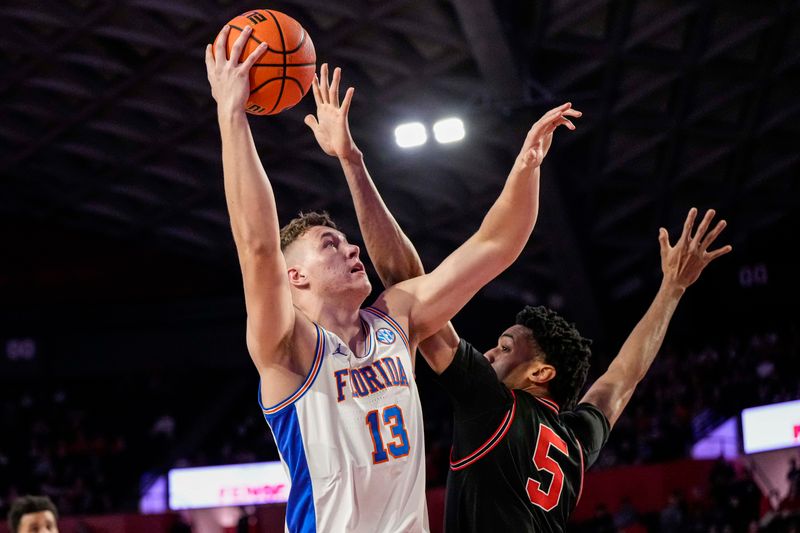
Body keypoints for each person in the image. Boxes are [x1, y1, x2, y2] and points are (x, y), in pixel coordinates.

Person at [315, 57, 733, 530]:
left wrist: (353, 163)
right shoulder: (574, 439)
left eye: (508, 346)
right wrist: (672, 290)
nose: (492, 348)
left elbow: (405, 286)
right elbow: (620, 380)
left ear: (541, 371)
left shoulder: (494, 406)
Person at [205, 27, 580, 532]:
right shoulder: (287, 347)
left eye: (344, 239)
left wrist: (526, 166)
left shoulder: (396, 320)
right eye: (329, 245)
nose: (351, 246)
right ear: (293, 276)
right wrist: (232, 115)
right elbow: (257, 245)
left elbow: (496, 246)